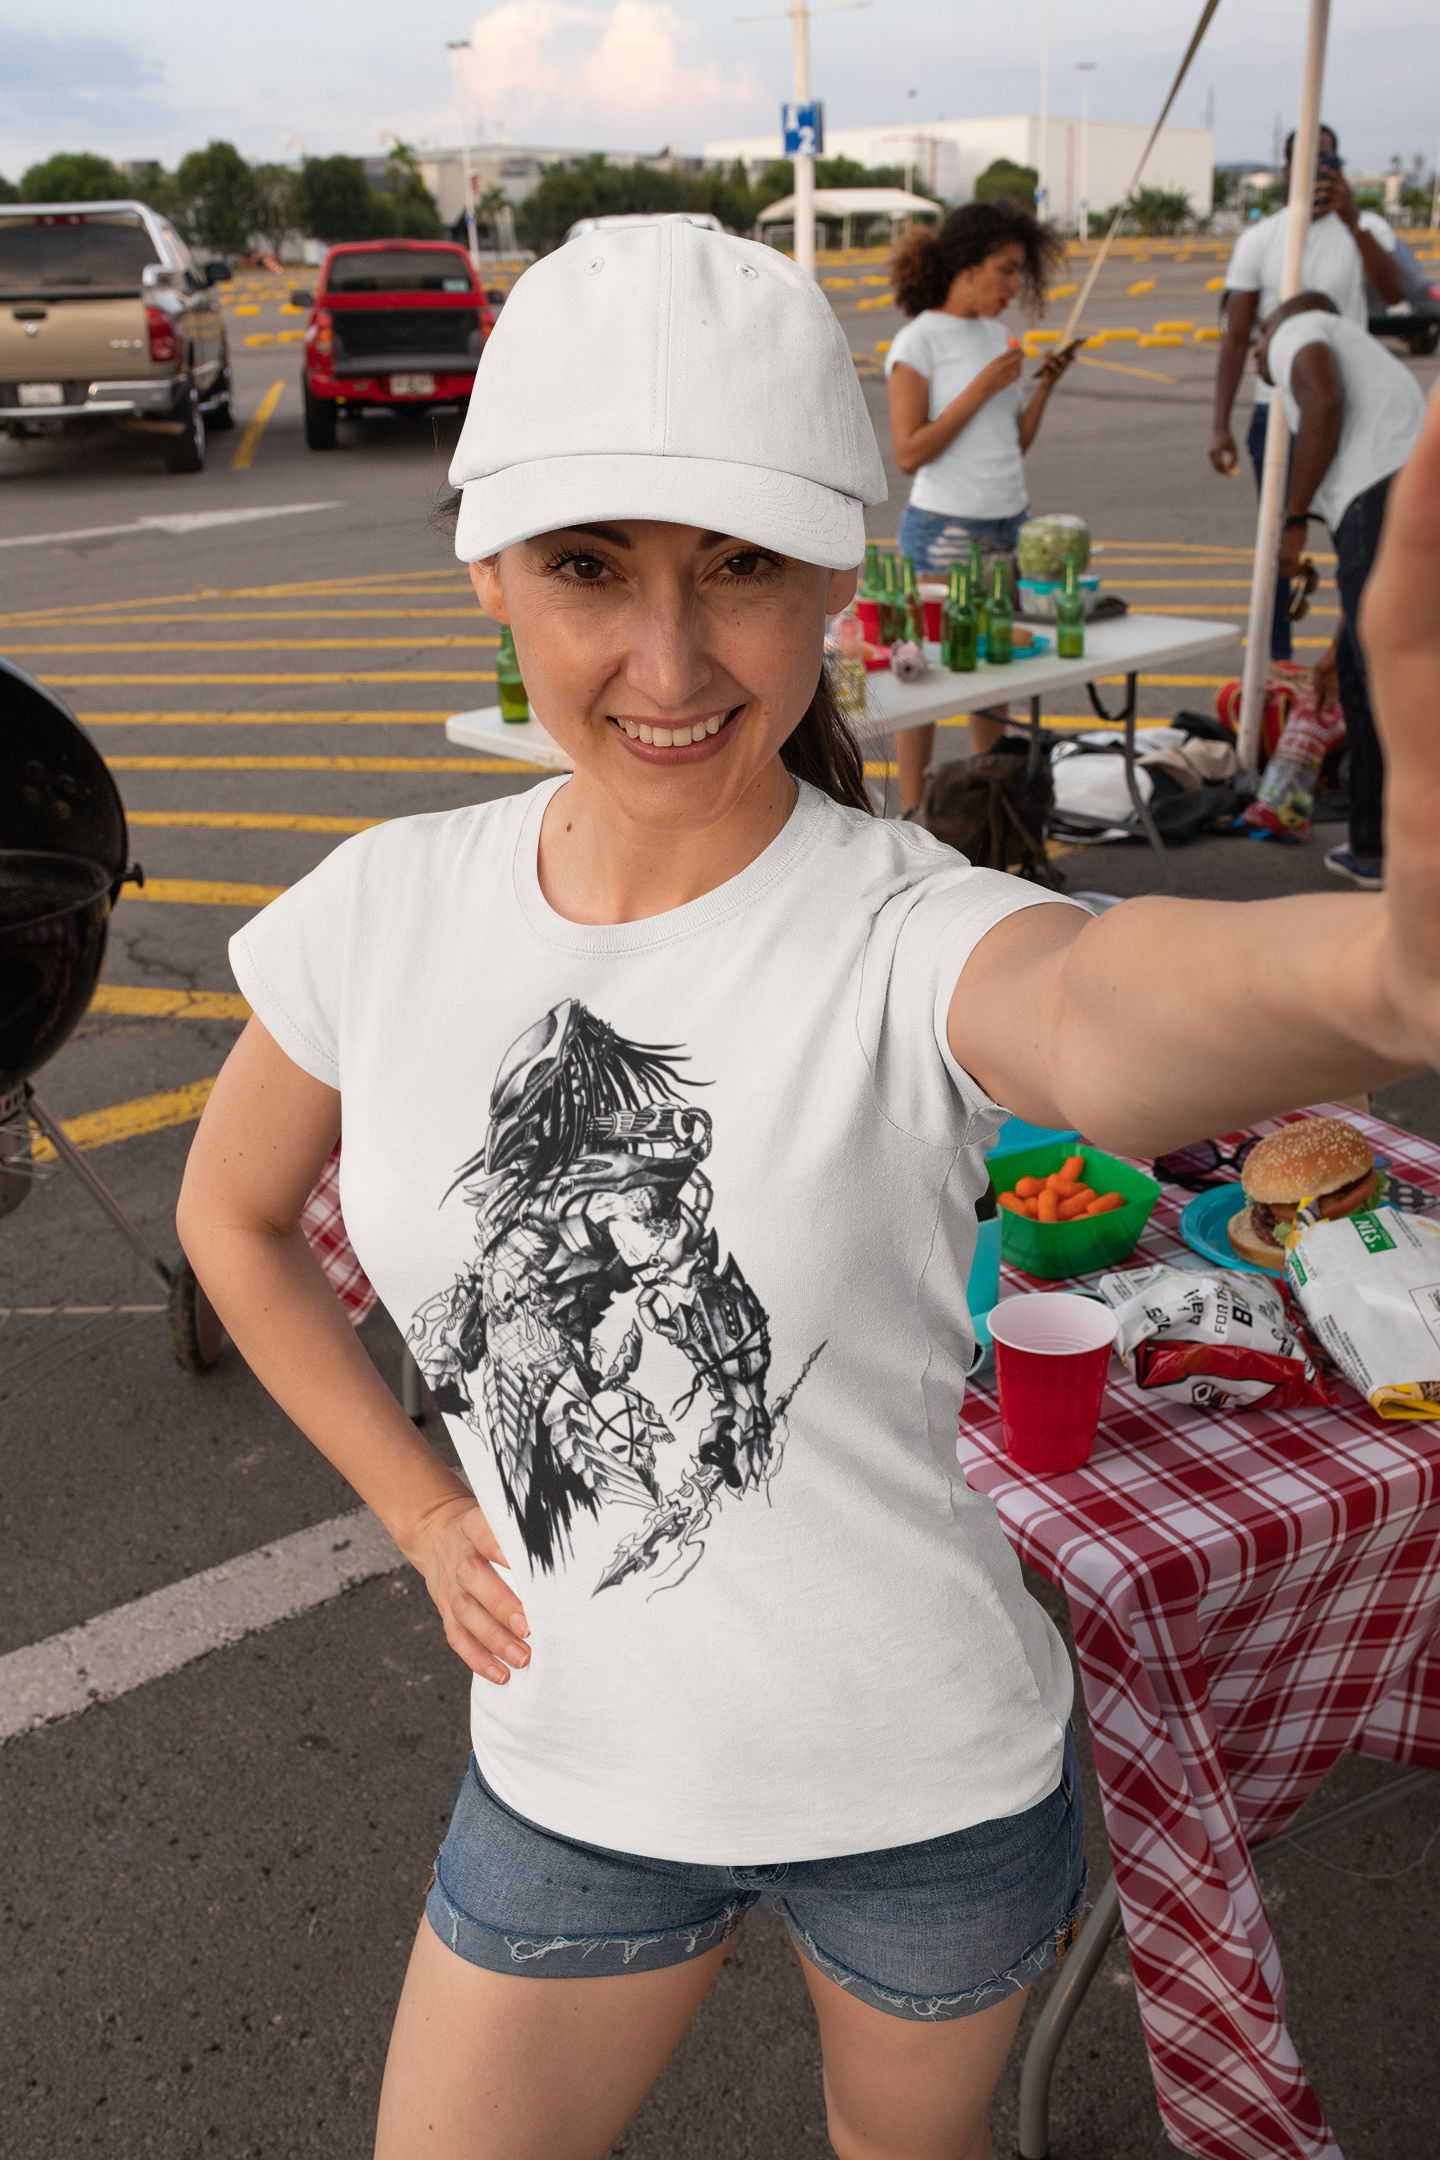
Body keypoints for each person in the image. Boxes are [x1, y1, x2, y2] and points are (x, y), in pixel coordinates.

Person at [175, 218, 1440, 2160]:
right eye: (591, 567)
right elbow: (232, 1220)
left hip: (924, 1794)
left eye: (741, 568)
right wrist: (423, 1511)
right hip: (569, 1785)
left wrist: (1379, 978)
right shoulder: (381, 910)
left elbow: (1091, 1013)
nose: (670, 661)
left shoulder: (904, 923)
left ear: (838, 579)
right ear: (490, 568)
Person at [885, 201, 1079, 812]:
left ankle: (990, 811)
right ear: (967, 264)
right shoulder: (918, 341)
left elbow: (1012, 441)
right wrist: (982, 387)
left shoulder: (998, 338)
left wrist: (1044, 386)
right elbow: (910, 451)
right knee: (925, 675)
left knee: (993, 670)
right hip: (946, 528)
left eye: (1021, 271)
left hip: (1010, 522)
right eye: (1007, 269)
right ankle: (913, 815)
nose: (1014, 284)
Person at [1209, 123, 1405, 660]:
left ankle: (1355, 661)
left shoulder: (1365, 228)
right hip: (1277, 414)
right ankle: (1276, 661)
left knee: (1361, 545)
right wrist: (1220, 424)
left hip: (1353, 416)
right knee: (1279, 545)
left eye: (1328, 159)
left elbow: (1394, 292)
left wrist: (1354, 222)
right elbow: (1236, 336)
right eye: (1307, 161)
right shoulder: (1261, 239)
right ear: (1286, 168)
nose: (1318, 170)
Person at [1254, 290, 1426, 889]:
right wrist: (1334, 648)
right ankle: (1379, 842)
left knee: (1380, 684)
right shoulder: (1367, 359)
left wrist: (1294, 518)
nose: (1257, 351)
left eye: (1258, 338)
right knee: (1364, 667)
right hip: (1408, 497)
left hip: (1380, 501)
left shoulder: (1297, 328)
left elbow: (1322, 402)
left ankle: (1382, 851)